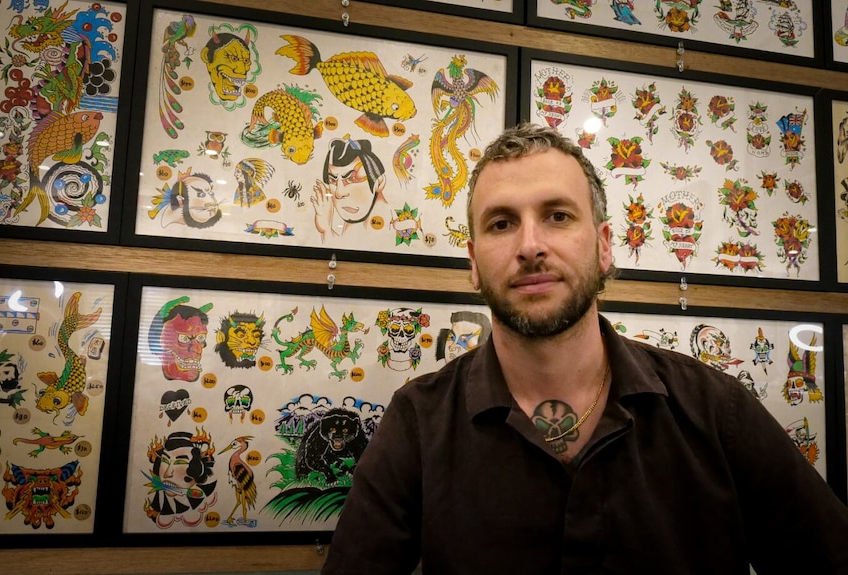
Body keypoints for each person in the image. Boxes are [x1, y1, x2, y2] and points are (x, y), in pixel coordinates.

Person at [321, 123, 848, 573]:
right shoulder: (417, 422)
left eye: (558, 216)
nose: (530, 246)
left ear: (602, 244)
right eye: (501, 224)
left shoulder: (718, 412)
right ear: (474, 262)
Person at [311, 136, 386, 242]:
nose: (339, 193)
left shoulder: (392, 222)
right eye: (333, 180)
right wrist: (326, 229)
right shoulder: (355, 222)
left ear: (379, 181)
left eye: (351, 178)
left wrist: (326, 231)